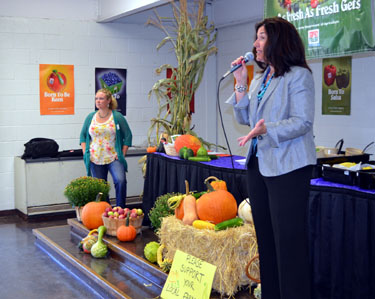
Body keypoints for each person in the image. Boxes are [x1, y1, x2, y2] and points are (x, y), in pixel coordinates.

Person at [227, 17, 316, 299]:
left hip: (289, 168)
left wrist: (269, 129)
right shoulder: (261, 79)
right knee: (265, 238)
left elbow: (302, 122)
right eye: (256, 38)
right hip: (259, 164)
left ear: (278, 41)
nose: (255, 43)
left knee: (288, 242)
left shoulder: (299, 76)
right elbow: (244, 118)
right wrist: (240, 84)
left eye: (262, 37)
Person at [80, 88, 132, 208]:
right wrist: (85, 153)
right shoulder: (90, 117)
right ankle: (106, 212)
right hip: (95, 158)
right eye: (96, 98)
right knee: (101, 189)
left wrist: (122, 154)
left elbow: (128, 136)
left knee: (120, 181)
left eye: (101, 98)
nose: (98, 101)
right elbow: (83, 136)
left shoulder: (117, 117)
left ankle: (120, 209)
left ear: (108, 100)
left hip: (114, 157)